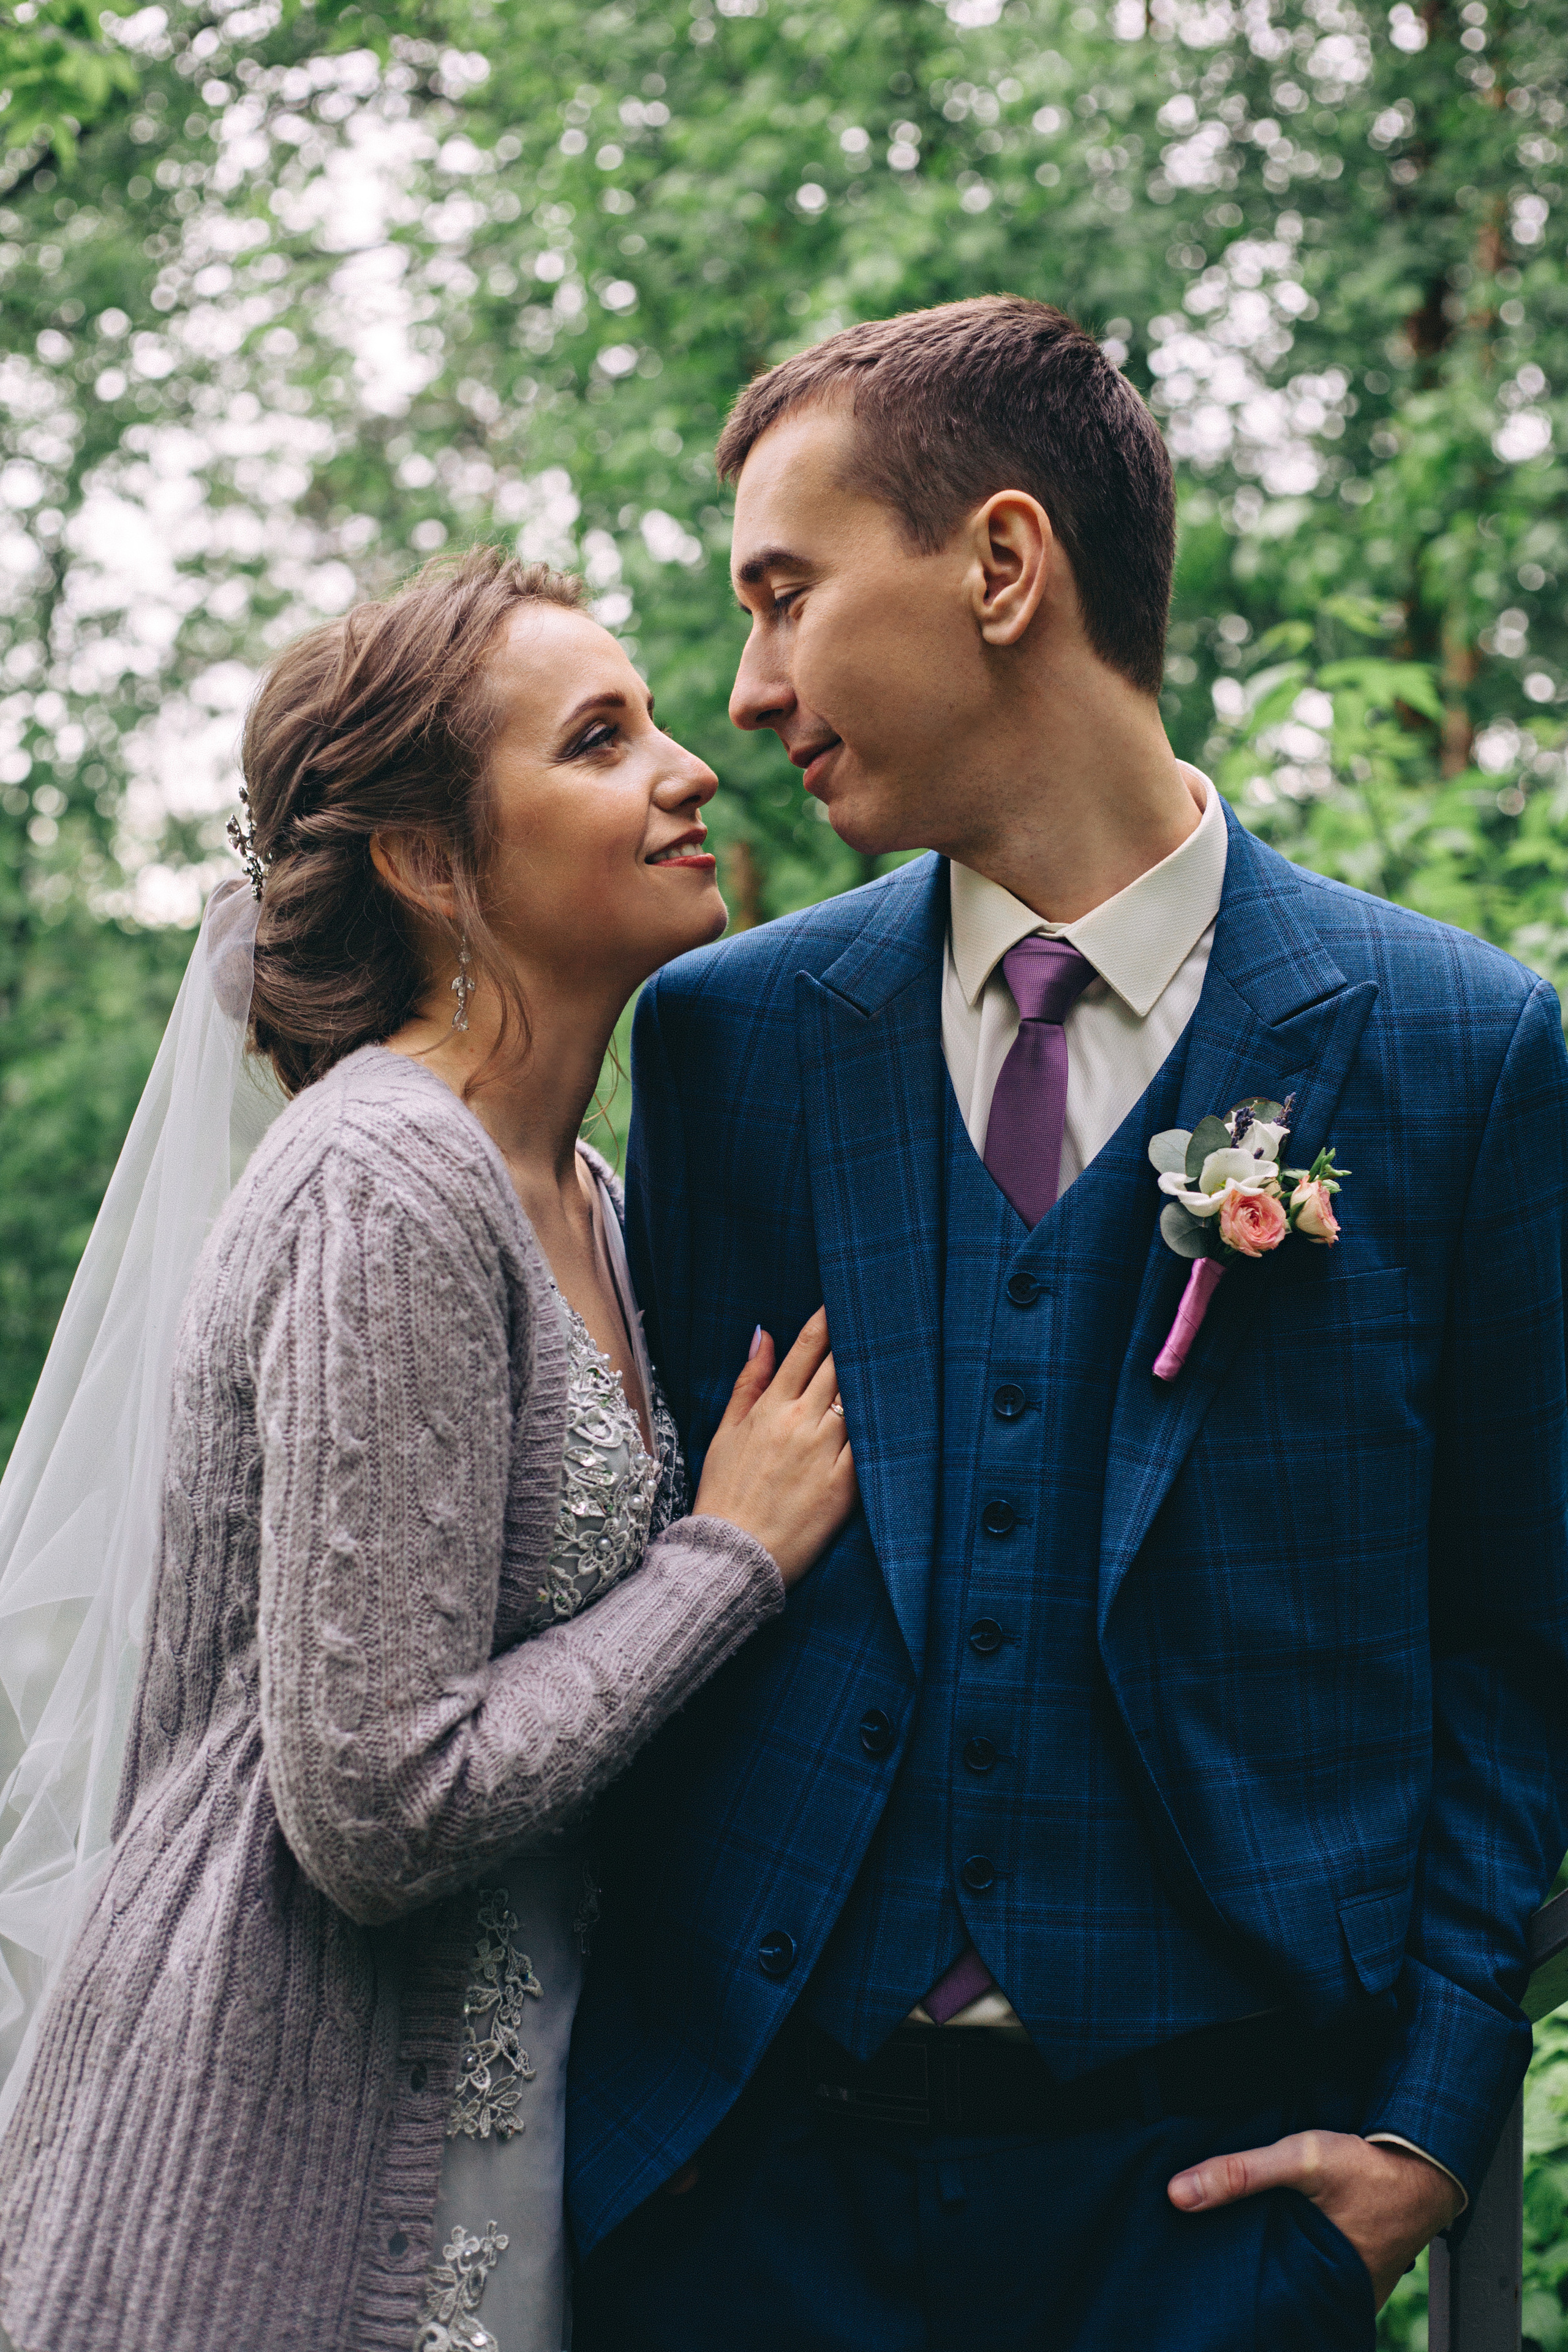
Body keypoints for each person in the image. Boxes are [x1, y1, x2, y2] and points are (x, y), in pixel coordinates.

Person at [568, 296, 1568, 2350]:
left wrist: (1434, 2116)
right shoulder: (730, 1045)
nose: (748, 691)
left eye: (784, 595)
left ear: (1004, 566)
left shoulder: (1460, 1050)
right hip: (756, 2201)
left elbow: (1524, 1639)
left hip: (1212, 2211)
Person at [0, 548, 857, 2352]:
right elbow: (376, 1806)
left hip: (510, 2123)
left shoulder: (587, 1191)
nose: (690, 768)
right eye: (602, 741)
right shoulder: (386, 1184)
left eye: (655, 723)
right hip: (274, 2158)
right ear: (429, 860)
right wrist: (726, 1562)